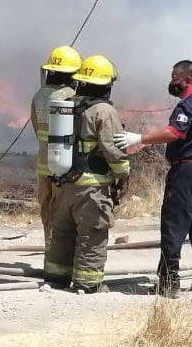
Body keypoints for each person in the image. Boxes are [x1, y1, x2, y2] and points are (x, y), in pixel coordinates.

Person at [113, 60, 192, 297]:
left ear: (187, 79)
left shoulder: (188, 106)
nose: (172, 82)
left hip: (187, 172)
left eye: (175, 78)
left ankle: (169, 283)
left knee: (173, 226)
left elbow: (174, 133)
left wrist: (139, 138)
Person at [42, 55, 131, 292]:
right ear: (106, 85)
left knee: (62, 231)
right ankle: (88, 283)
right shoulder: (103, 111)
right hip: (92, 186)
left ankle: (55, 278)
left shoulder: (69, 104)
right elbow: (112, 148)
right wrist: (124, 173)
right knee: (92, 232)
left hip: (63, 182)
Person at [30, 45, 81, 247]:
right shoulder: (70, 97)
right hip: (66, 166)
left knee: (47, 211)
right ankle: (63, 257)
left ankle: (50, 252)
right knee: (65, 213)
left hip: (44, 165)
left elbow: (36, 127)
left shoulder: (39, 95)